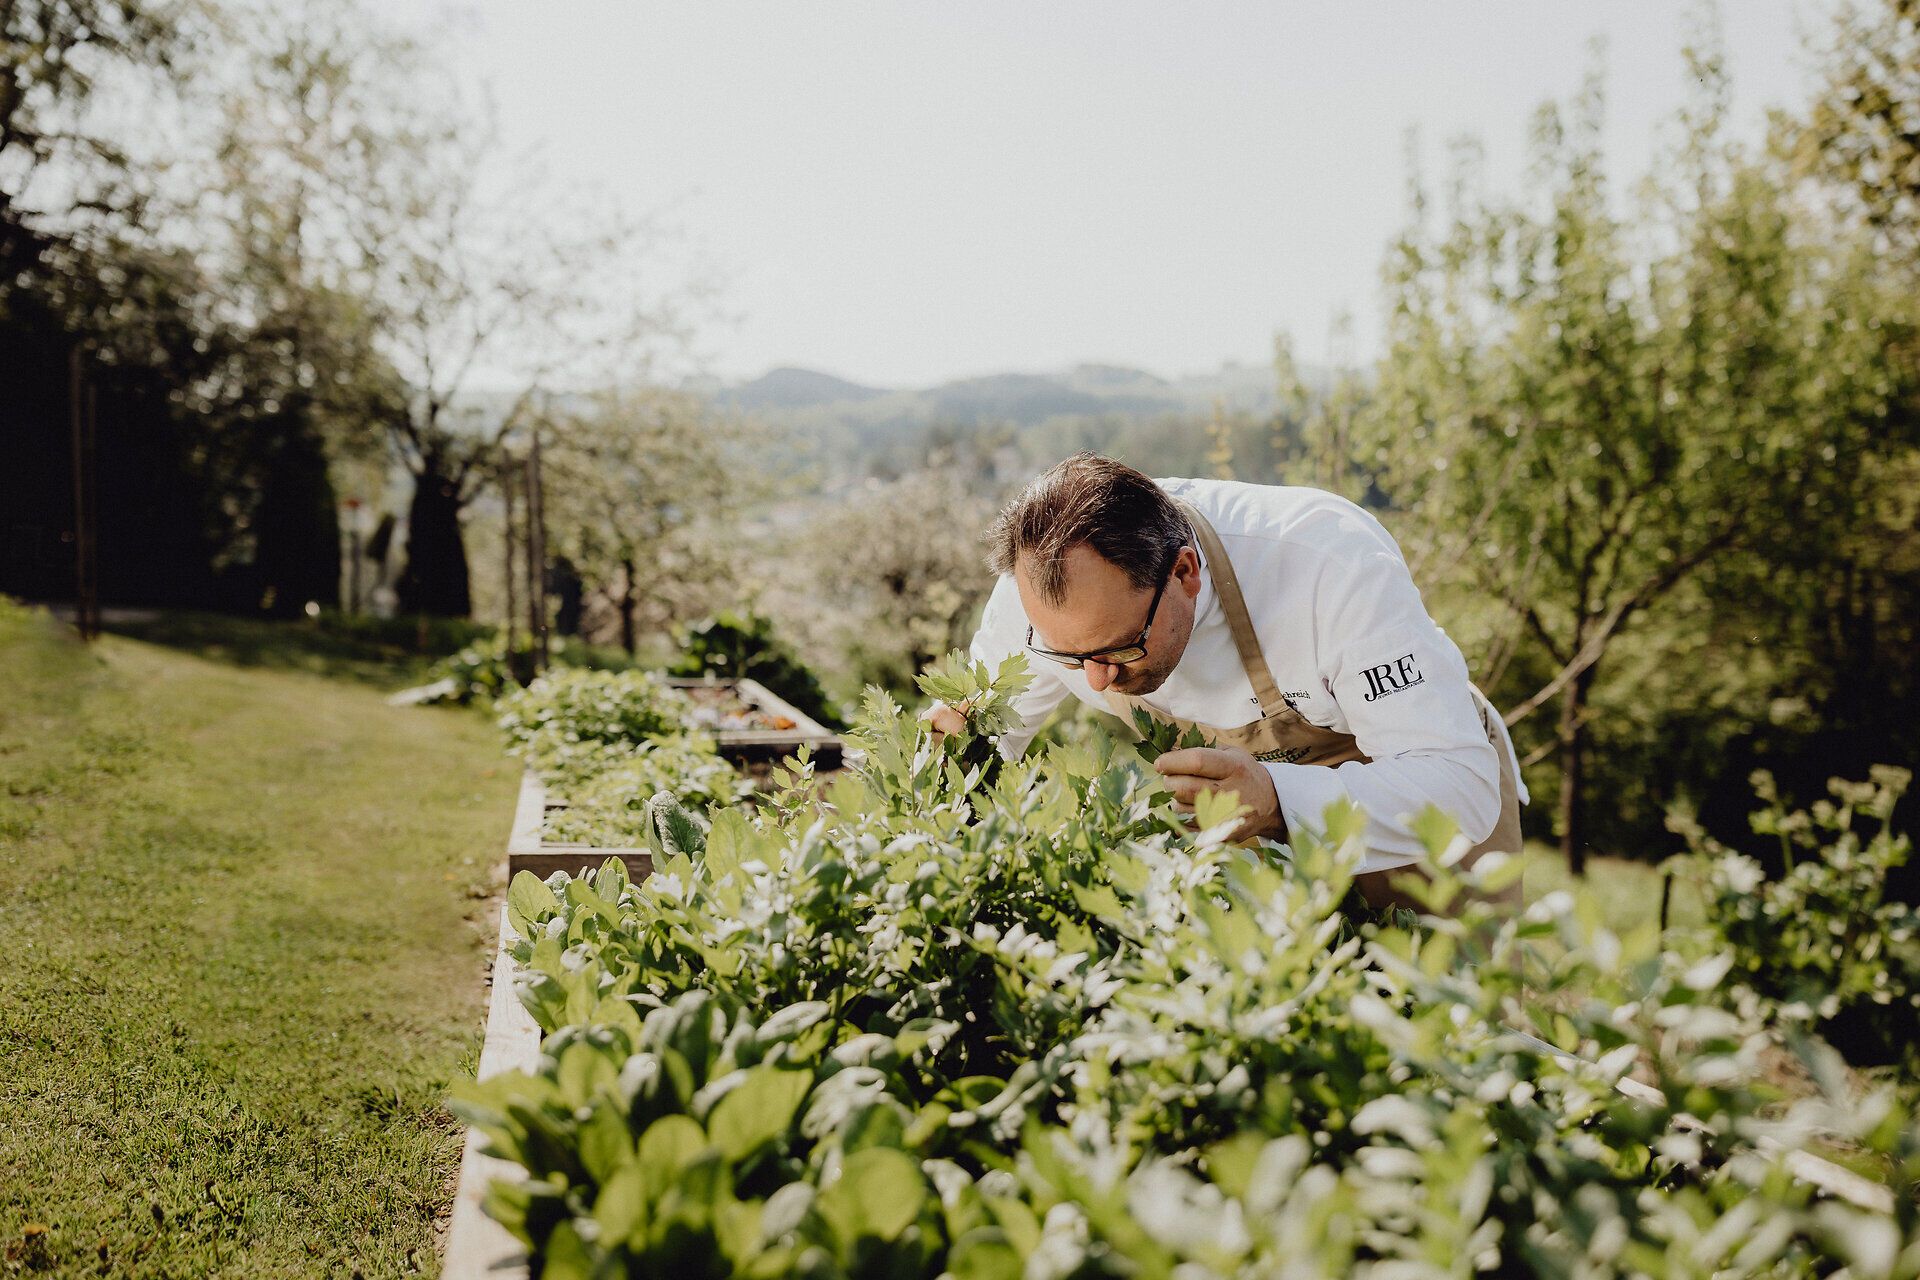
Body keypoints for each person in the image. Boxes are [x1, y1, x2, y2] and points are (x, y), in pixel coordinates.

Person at [926, 453, 1526, 907]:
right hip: (1245, 819)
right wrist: (945, 756)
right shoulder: (1035, 597)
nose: (1099, 681)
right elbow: (978, 749)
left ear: (1184, 571)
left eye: (1121, 647)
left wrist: (1278, 801)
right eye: (1068, 657)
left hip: (1408, 792)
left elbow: (1460, 787)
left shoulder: (1329, 561)